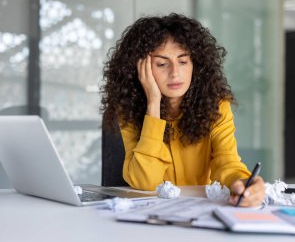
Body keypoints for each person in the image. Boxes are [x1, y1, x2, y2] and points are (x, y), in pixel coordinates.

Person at [101, 13, 265, 207]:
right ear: (140, 69)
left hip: (201, 213)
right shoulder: (127, 110)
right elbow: (146, 182)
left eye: (183, 61)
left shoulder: (217, 106)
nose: (175, 73)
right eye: (162, 64)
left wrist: (242, 182)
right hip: (151, 215)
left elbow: (227, 162)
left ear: (196, 64)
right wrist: (153, 103)